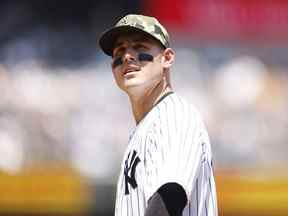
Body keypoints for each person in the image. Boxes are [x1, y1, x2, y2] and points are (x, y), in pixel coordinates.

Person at [98, 14, 218, 216]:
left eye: (140, 47)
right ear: (113, 68)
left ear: (167, 58)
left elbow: (170, 195)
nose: (127, 56)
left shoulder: (173, 115)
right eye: (120, 50)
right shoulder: (146, 127)